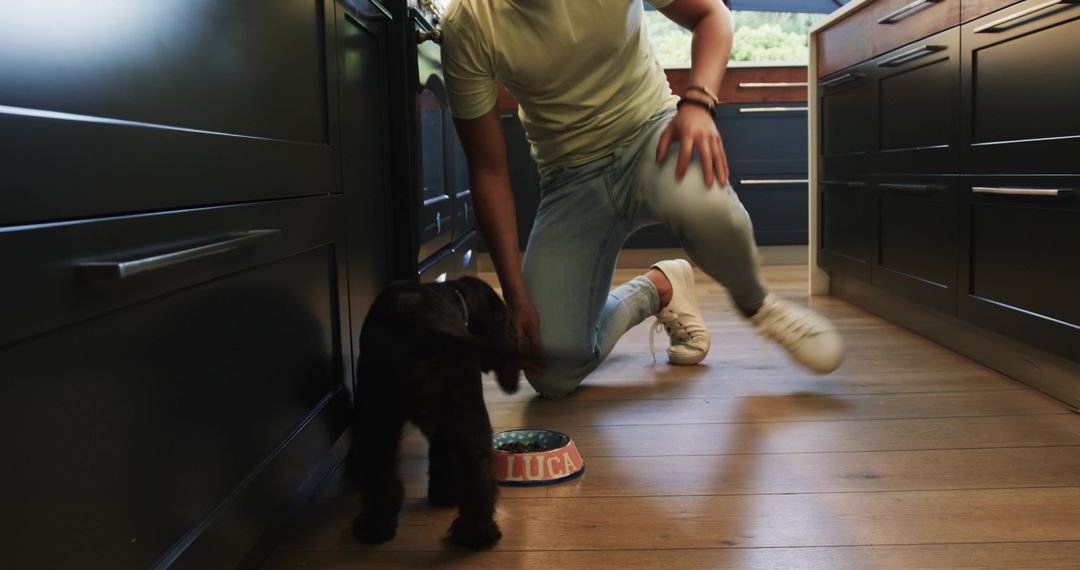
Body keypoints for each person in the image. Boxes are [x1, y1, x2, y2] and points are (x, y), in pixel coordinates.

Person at [443, 0, 843, 398]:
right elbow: (488, 169)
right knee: (551, 372)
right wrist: (515, 296)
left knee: (705, 208)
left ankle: (759, 305)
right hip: (569, 178)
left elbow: (712, 15)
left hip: (651, 136)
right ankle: (659, 287)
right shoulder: (468, 22)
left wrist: (698, 103)